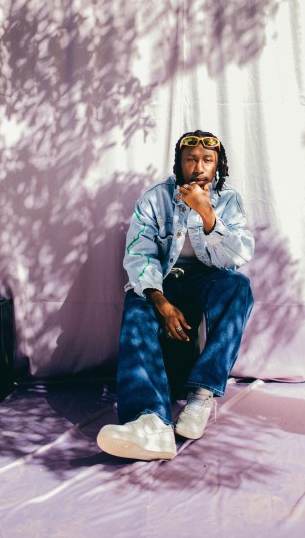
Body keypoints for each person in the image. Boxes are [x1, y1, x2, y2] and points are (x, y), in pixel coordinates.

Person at [97, 130, 254, 461]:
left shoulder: (228, 201)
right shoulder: (155, 199)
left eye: (207, 161)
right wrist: (161, 301)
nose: (198, 168)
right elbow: (139, 257)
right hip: (162, 283)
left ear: (218, 166)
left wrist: (207, 213)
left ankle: (201, 395)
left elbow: (236, 257)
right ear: (178, 164)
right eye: (191, 159)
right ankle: (149, 422)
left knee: (239, 288)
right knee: (137, 308)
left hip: (205, 282)